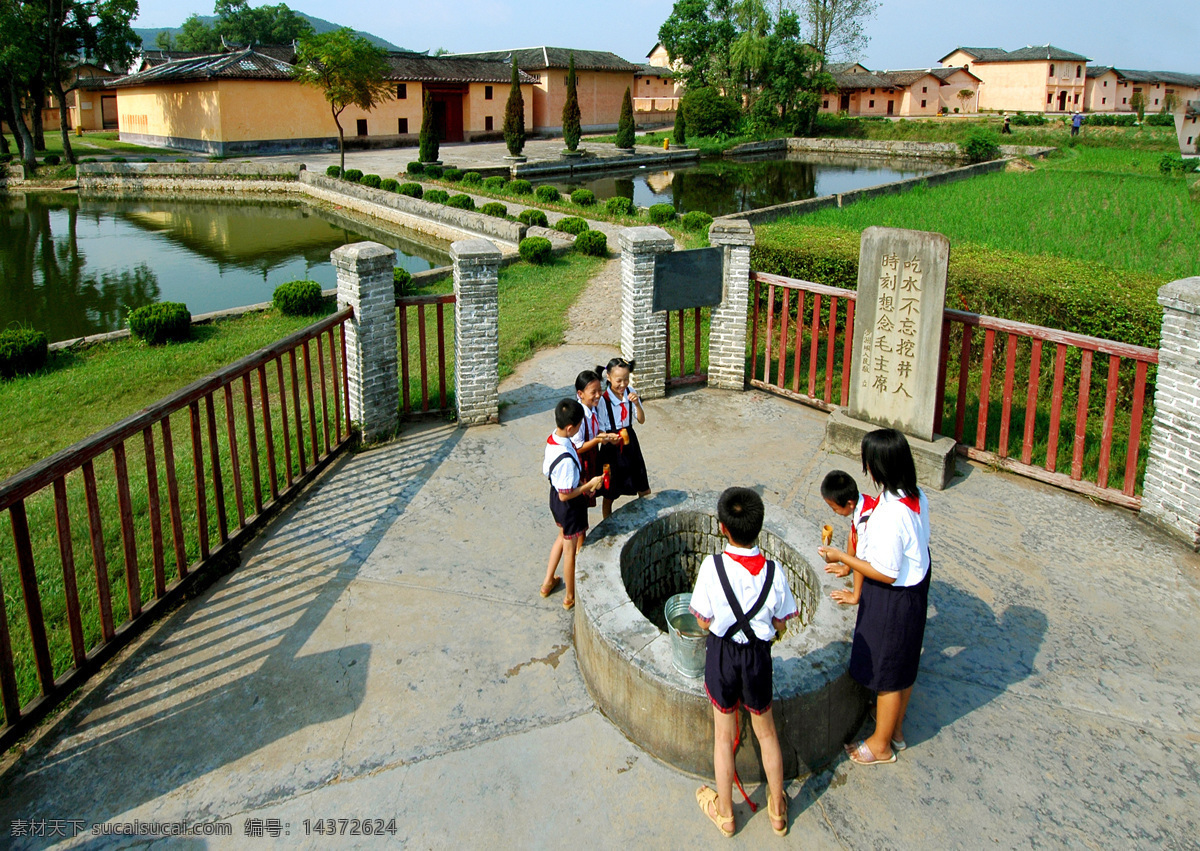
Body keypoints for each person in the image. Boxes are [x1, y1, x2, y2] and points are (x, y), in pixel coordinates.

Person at [689, 488, 799, 837]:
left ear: (723, 528)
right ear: (759, 526)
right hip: (756, 657)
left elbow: (703, 621)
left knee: (724, 736)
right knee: (767, 733)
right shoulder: (773, 571)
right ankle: (778, 812)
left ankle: (725, 813)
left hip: (722, 654)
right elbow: (782, 621)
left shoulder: (712, 567)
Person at [818, 429, 931, 766]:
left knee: (887, 671)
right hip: (917, 584)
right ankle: (893, 728)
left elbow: (885, 571)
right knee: (904, 663)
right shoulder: (915, 495)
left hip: (895, 596)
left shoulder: (888, 515)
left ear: (878, 467)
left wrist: (842, 557)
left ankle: (880, 745)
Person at [542, 399, 604, 610]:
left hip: (556, 499)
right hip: (569, 506)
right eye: (578, 426)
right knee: (570, 550)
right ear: (570, 427)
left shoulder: (554, 438)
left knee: (561, 537)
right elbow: (565, 495)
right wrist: (588, 486)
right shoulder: (567, 459)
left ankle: (548, 581)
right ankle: (570, 596)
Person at [596, 357, 650, 519]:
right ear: (609, 378)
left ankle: (647, 517)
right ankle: (607, 522)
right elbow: (599, 431)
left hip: (630, 443)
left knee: (643, 485)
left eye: (626, 379)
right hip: (611, 448)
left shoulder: (630, 392)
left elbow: (641, 419)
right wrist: (609, 438)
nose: (623, 384)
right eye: (618, 380)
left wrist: (637, 404)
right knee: (610, 492)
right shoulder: (603, 402)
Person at [573, 369, 620, 510]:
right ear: (580, 394)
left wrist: (606, 436)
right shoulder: (579, 416)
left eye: (599, 390)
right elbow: (578, 447)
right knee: (581, 500)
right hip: (581, 464)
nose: (598, 395)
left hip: (592, 458)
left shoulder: (592, 409)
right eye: (593, 392)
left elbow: (595, 431)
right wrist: (598, 440)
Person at [820, 470, 865, 606]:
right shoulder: (862, 502)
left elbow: (860, 559)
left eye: (835, 508)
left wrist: (855, 596)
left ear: (850, 504)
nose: (835, 512)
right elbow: (853, 535)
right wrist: (846, 567)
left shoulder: (865, 523)